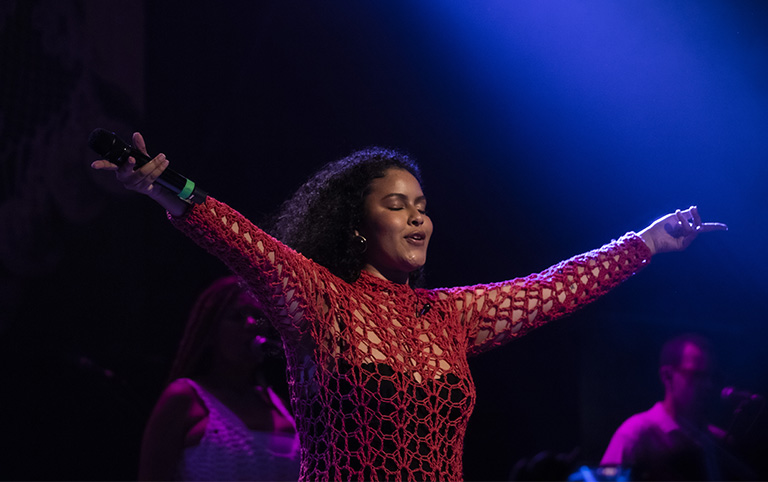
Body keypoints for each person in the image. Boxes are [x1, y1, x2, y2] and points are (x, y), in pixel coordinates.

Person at [92, 132, 727, 481]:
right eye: (396, 205)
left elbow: (551, 289)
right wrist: (164, 187)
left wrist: (645, 243)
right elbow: (246, 244)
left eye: (421, 205)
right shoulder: (321, 301)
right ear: (357, 227)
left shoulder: (448, 317)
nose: (417, 215)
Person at [138, 276, 300, 481]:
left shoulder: (281, 403)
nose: (251, 325)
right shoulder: (184, 398)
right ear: (211, 332)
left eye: (258, 316)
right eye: (236, 317)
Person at [600, 334, 736, 480]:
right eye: (697, 375)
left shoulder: (715, 439)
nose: (709, 385)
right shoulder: (636, 434)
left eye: (711, 377)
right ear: (667, 376)